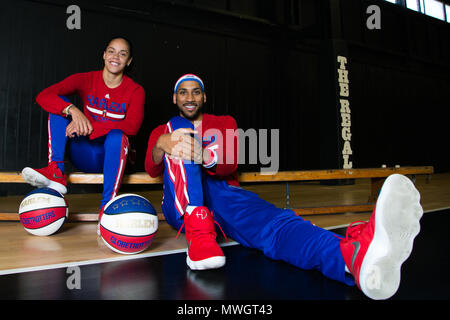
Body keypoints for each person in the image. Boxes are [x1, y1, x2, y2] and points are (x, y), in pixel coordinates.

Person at [144, 73, 423, 300]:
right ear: (175, 97)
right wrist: (162, 143)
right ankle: (198, 228)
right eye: (183, 92)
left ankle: (352, 259)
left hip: (224, 194)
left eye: (195, 92)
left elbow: (228, 163)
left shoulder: (224, 123)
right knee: (180, 130)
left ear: (204, 97)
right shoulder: (165, 127)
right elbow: (151, 167)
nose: (189, 97)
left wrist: (203, 154)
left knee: (275, 224)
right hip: (178, 203)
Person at [21, 37, 145, 219]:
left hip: (111, 159)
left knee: (118, 135)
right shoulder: (86, 79)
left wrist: (90, 126)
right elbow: (43, 96)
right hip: (84, 153)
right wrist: (73, 110)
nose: (115, 57)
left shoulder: (135, 90)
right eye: (111, 51)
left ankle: (107, 206)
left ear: (129, 61)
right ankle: (56, 171)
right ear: (104, 55)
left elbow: (132, 126)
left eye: (122, 53)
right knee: (59, 105)